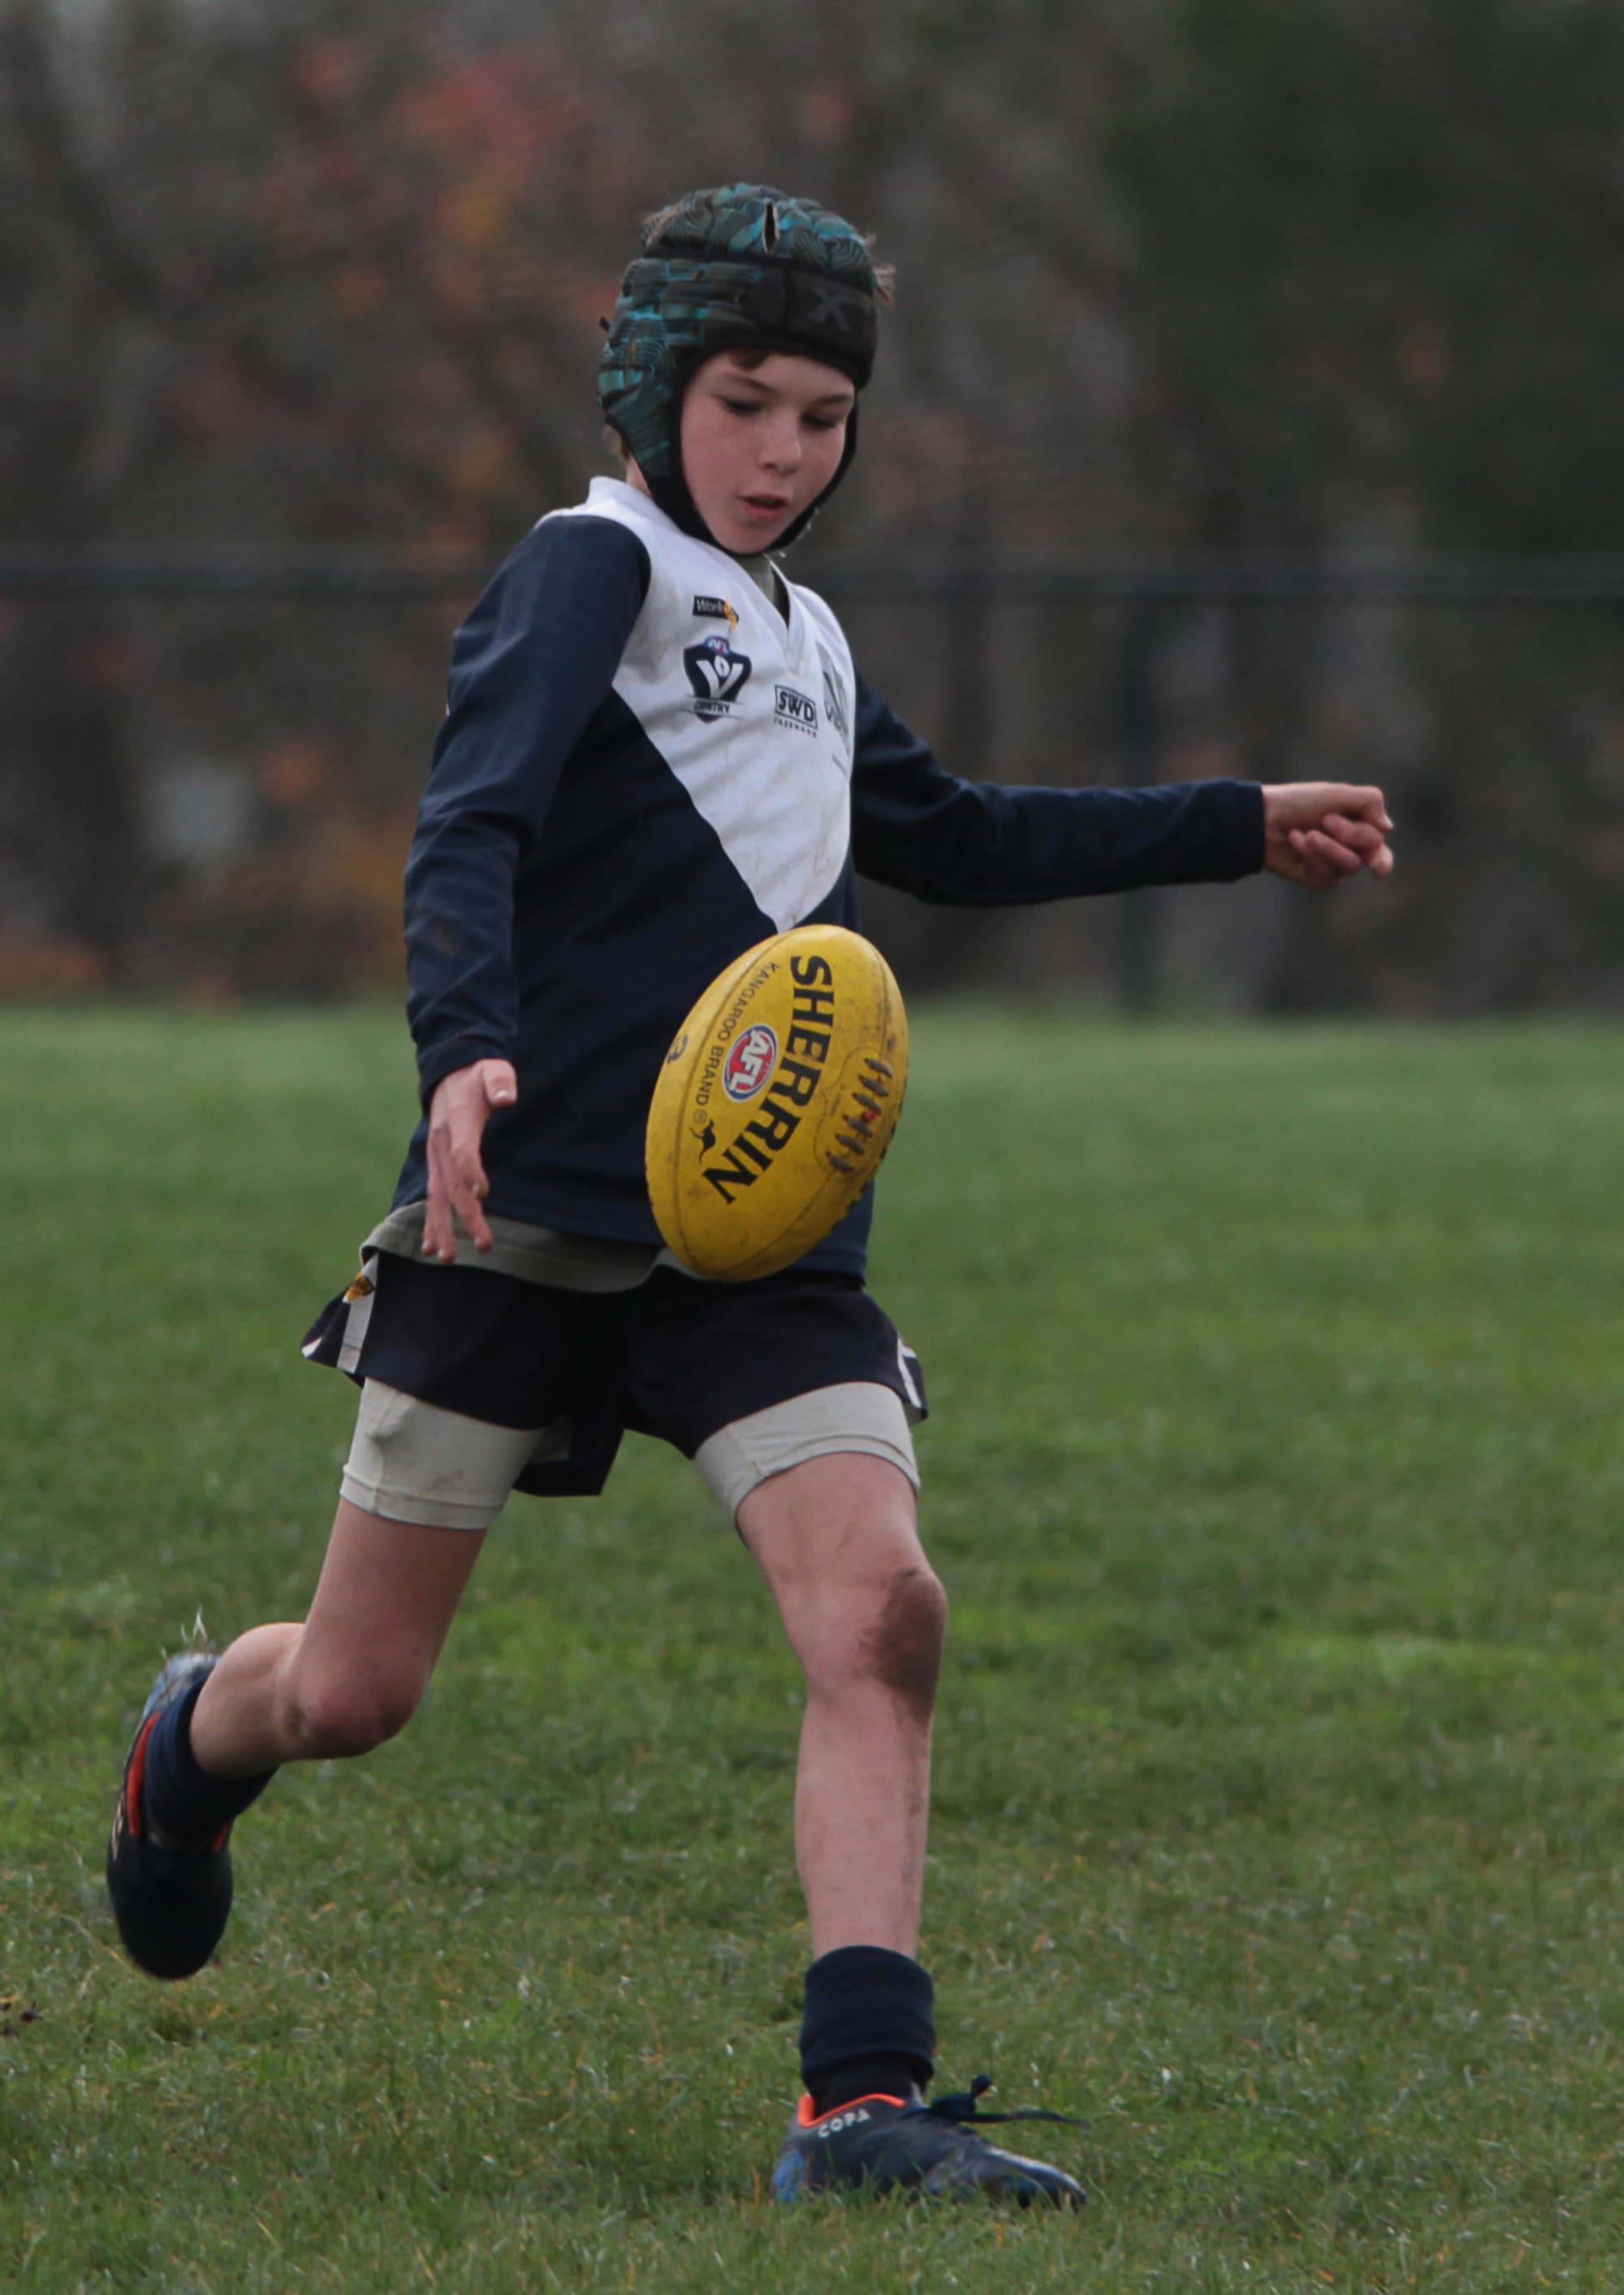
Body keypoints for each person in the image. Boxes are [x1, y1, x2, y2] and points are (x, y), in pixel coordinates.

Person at [105, 184, 1393, 2206]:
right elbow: (468, 828)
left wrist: (1234, 822)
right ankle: (194, 1741)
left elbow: (951, 837)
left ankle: (856, 2106)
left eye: (823, 414)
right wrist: (465, 1047)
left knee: (881, 1615)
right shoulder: (584, 573)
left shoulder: (808, 637)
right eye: (747, 401)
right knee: (355, 1693)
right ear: (650, 390)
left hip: (759, 1237)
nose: (789, 448)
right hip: (518, 1212)